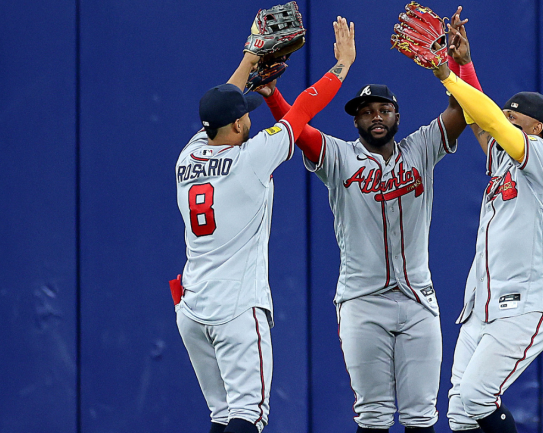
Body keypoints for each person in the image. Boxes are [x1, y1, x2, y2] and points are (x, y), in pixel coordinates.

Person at [255, 36, 468, 433]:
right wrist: (272, 96)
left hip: (419, 300)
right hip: (362, 302)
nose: (376, 116)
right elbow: (298, 131)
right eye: (366, 111)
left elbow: (463, 110)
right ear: (355, 121)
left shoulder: (420, 147)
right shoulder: (338, 156)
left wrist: (458, 66)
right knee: (372, 415)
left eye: (384, 109)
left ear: (397, 117)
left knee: (422, 416)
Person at [172, 17, 355, 433]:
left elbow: (222, 101)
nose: (249, 117)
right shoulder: (251, 160)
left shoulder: (190, 154)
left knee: (223, 417)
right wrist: (342, 64)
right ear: (237, 125)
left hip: (193, 310)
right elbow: (306, 106)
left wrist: (250, 57)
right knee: (248, 417)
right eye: (245, 115)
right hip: (234, 310)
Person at [429, 8, 543, 433]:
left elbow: (487, 117)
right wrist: (462, 62)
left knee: (476, 398)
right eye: (505, 115)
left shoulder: (541, 158)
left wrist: (444, 75)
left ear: (536, 127)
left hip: (525, 305)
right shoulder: (502, 160)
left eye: (515, 118)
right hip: (482, 308)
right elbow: (480, 120)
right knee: (459, 414)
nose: (506, 121)